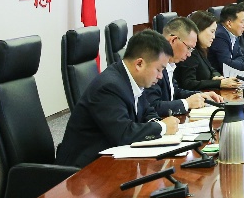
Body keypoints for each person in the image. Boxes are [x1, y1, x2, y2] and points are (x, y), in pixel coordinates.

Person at [56, 30, 180, 168]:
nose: (160, 76)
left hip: (108, 159)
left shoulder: (131, 79)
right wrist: (162, 127)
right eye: (159, 69)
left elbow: (147, 110)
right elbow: (124, 134)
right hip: (83, 169)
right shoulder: (110, 86)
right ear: (139, 64)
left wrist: (156, 123)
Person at [139, 17, 224, 117]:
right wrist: (187, 103)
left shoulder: (170, 64)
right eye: (188, 48)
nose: (189, 54)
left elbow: (174, 92)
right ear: (173, 40)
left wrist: (200, 95)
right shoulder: (153, 62)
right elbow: (152, 106)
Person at [176, 11, 240, 91]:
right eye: (212, 31)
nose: (214, 37)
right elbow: (188, 83)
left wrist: (217, 77)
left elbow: (210, 68)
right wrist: (219, 83)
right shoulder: (190, 52)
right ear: (199, 30)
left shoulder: (201, 49)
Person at [210, 4, 244, 73]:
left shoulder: (233, 33)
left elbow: (240, 56)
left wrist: (234, 62)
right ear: (229, 23)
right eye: (242, 22)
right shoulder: (220, 36)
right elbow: (227, 65)